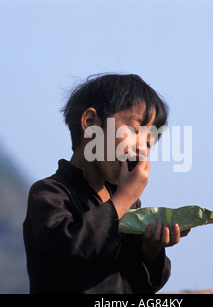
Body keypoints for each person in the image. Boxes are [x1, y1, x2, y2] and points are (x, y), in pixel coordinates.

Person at [23, 73, 189, 294]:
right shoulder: (49, 193)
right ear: (91, 123)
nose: (141, 147)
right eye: (133, 131)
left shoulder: (126, 202)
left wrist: (150, 249)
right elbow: (69, 247)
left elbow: (140, 285)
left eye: (149, 142)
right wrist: (124, 198)